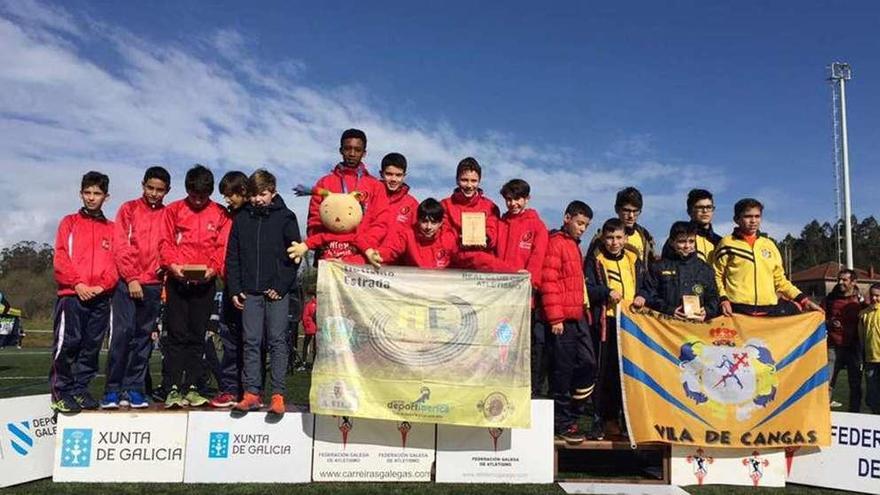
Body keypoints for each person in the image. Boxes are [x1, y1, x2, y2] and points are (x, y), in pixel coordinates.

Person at [227, 170, 302, 415]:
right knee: (251, 342)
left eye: (263, 194)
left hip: (276, 293)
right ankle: (252, 393)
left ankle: (278, 394)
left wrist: (281, 286)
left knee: (278, 341)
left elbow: (295, 256)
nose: (258, 199)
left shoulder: (286, 217)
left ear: (273, 193)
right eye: (254, 195)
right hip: (250, 293)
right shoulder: (241, 219)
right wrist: (235, 288)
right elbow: (233, 257)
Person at [159, 164, 230, 408]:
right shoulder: (174, 210)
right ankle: (172, 388)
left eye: (204, 196)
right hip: (178, 283)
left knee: (198, 336)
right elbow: (165, 242)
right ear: (187, 190)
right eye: (194, 195)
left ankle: (192, 386)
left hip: (205, 283)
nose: (198, 201)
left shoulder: (220, 213)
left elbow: (221, 247)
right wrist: (172, 266)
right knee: (176, 336)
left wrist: (213, 268)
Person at [101, 166, 171, 410]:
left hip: (152, 285)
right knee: (122, 335)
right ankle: (112, 389)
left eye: (159, 190)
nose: (153, 193)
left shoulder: (168, 214)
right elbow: (120, 246)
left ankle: (134, 389)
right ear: (143, 185)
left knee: (143, 339)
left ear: (167, 191)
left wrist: (165, 268)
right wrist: (131, 278)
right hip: (126, 283)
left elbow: (168, 246)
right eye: (150, 188)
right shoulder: (128, 209)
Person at [49, 171, 118, 413]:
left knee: (91, 347)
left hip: (100, 297)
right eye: (87, 193)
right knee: (68, 344)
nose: (91, 198)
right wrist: (77, 284)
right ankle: (61, 391)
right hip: (72, 295)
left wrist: (101, 286)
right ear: (80, 194)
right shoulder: (69, 222)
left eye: (97, 193)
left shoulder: (112, 229)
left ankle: (80, 389)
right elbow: (60, 257)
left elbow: (115, 263)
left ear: (106, 197)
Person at [586, 218, 645, 440]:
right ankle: (602, 420)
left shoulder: (634, 259)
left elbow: (646, 285)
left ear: (626, 238)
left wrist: (642, 295)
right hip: (606, 322)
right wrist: (606, 292)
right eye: (610, 238)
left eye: (618, 237)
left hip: (630, 323)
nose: (614, 242)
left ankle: (629, 420)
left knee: (629, 374)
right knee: (605, 373)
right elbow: (588, 288)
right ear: (603, 238)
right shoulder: (595, 259)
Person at [541, 200, 595, 444]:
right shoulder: (556, 243)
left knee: (588, 364)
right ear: (567, 218)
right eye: (579, 223)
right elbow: (549, 280)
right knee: (561, 373)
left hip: (578, 317)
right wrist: (555, 317)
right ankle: (562, 422)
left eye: (586, 225)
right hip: (562, 320)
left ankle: (572, 413)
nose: (582, 228)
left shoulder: (575, 245)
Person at [712, 198, 823, 316]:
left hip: (769, 311)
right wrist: (723, 299)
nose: (753, 221)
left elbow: (780, 281)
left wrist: (803, 300)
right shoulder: (726, 243)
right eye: (748, 216)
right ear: (736, 219)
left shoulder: (769, 245)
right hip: (737, 311)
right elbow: (716, 276)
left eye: (757, 216)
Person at [495, 179, 550, 395]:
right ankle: (501, 386)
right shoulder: (499, 223)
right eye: (508, 199)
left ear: (527, 199)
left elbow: (538, 259)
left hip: (526, 302)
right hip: (500, 300)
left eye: (517, 199)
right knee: (502, 345)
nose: (512, 204)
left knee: (524, 348)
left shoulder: (537, 226)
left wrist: (530, 282)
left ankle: (526, 391)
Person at [305, 129, 391, 264]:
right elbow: (315, 219)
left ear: (364, 153)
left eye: (357, 150)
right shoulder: (325, 182)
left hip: (361, 259)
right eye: (347, 148)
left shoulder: (375, 186)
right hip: (330, 258)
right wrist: (323, 244)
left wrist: (362, 245)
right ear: (340, 150)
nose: (352, 154)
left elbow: (380, 223)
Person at [209, 171, 250, 408]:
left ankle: (250, 389)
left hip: (249, 289)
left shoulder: (253, 216)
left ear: (242, 191)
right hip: (227, 286)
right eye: (224, 196)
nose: (227, 201)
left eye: (230, 195)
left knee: (251, 343)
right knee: (229, 339)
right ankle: (229, 388)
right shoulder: (226, 218)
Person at [372, 199, 509, 271]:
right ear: (417, 220)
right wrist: (374, 255)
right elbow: (390, 250)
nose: (428, 227)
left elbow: (475, 258)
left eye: (433, 223)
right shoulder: (408, 235)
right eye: (424, 221)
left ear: (440, 223)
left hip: (441, 295)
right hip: (415, 292)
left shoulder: (449, 238)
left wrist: (512, 271)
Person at [633, 221, 720, 320]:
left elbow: (714, 297)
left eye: (691, 241)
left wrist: (707, 311)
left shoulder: (705, 269)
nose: (687, 246)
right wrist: (669, 310)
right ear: (671, 242)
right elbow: (650, 295)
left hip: (696, 327)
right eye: (682, 242)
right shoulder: (658, 267)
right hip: (666, 326)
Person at [825, 268, 864, 411]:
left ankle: (855, 414)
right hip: (833, 347)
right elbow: (819, 316)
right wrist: (830, 322)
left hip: (854, 348)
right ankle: (824, 414)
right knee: (827, 383)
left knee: (855, 385)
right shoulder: (830, 299)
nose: (840, 282)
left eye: (844, 280)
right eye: (839, 279)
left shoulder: (860, 301)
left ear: (854, 282)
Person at [441, 157, 501, 250]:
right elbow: (444, 232)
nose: (469, 185)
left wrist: (486, 238)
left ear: (479, 181)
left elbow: (493, 230)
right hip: (454, 258)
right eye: (464, 180)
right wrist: (459, 240)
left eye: (473, 181)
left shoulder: (490, 206)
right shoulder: (445, 205)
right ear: (457, 180)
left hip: (481, 256)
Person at [381, 152, 419, 230]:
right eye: (389, 174)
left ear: (404, 176)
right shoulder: (371, 197)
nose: (393, 179)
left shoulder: (412, 204)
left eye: (398, 175)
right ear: (381, 174)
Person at [859, 283, 880, 414]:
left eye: (878, 296)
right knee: (872, 394)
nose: (874, 298)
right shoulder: (863, 314)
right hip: (870, 360)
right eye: (872, 295)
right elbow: (861, 339)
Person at [687, 189, 722, 262]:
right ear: (689, 211)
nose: (705, 211)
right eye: (700, 207)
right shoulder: (679, 240)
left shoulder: (720, 242)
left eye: (709, 207)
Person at [300, 293, 317, 369]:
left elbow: (305, 316)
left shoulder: (309, 305)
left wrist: (306, 326)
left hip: (309, 327)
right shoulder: (320, 305)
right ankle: (315, 362)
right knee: (315, 346)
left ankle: (304, 361)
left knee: (306, 344)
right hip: (317, 328)